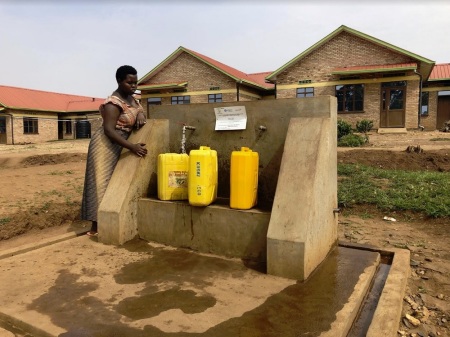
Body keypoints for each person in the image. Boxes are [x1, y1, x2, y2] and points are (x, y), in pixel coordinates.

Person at [81, 65, 147, 236]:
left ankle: (109, 222)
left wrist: (140, 113)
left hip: (121, 143)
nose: (133, 86)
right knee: (100, 182)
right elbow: (109, 130)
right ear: (119, 81)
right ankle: (96, 226)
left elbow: (138, 111)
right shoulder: (113, 103)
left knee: (114, 183)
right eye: (129, 82)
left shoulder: (133, 100)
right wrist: (132, 147)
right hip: (105, 144)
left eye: (135, 82)